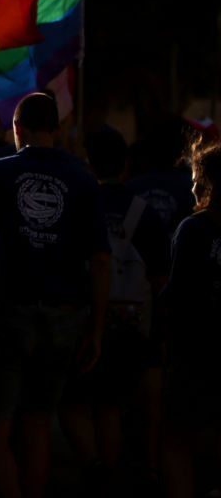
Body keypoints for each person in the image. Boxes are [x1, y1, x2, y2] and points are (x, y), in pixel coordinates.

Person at [0, 93, 111, 498]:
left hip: (9, 311)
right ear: (57, 128)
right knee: (38, 424)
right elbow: (100, 259)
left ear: (17, 129)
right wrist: (96, 328)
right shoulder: (83, 179)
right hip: (65, 316)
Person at [58, 126, 169, 489]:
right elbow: (160, 278)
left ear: (87, 163)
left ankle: (95, 468)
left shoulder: (76, 205)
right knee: (110, 405)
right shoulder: (144, 212)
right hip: (132, 323)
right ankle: (116, 475)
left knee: (72, 402)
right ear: (125, 165)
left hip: (83, 317)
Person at [159, 135, 221, 498]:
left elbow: (177, 296)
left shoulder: (194, 229)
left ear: (209, 184)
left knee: (176, 440)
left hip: (194, 355)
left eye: (196, 180)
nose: (192, 188)